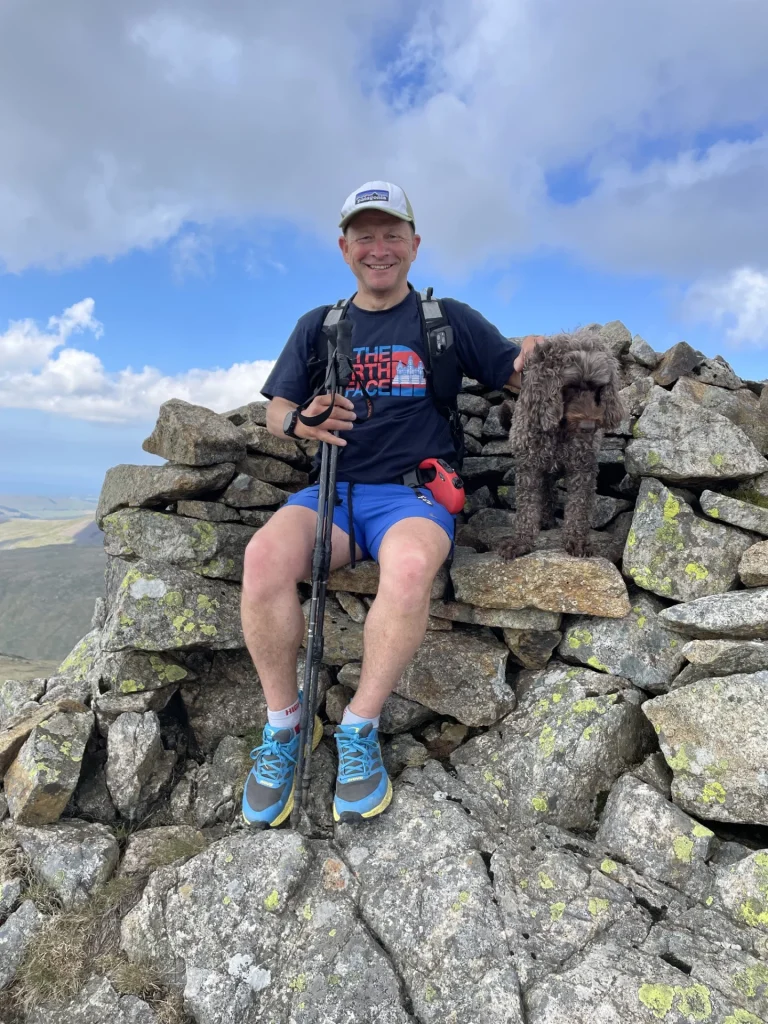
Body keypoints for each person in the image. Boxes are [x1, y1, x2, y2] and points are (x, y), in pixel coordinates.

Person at [240, 180, 544, 828]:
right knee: (263, 558)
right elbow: (274, 410)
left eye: (392, 235)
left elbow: (512, 370)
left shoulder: (447, 320)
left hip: (413, 494)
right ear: (345, 247)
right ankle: (285, 727)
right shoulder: (319, 326)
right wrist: (301, 422)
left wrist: (544, 359)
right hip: (332, 490)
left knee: (408, 571)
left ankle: (357, 729)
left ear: (414, 244)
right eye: (366, 236)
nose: (380, 248)